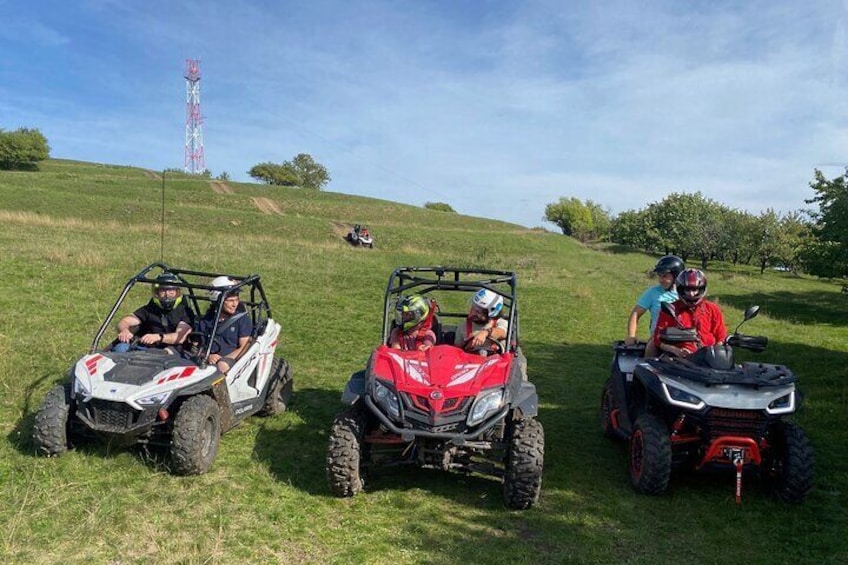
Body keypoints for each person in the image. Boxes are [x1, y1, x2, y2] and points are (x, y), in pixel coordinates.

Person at [652, 268, 727, 358]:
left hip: (708, 360)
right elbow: (658, 338)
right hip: (678, 359)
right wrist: (676, 350)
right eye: (687, 290)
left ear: (701, 289)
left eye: (694, 290)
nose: (691, 294)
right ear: (680, 289)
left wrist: (714, 355)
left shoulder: (712, 309)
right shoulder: (671, 309)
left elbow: (721, 337)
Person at [113, 272, 193, 352]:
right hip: (146, 348)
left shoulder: (185, 311)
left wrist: (159, 337)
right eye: (163, 291)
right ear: (157, 293)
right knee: (120, 348)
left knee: (166, 353)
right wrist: (124, 330)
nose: (167, 295)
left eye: (171, 290)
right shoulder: (150, 309)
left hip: (172, 352)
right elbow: (125, 321)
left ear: (177, 292)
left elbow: (180, 337)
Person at [625, 255, 684, 357]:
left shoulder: (687, 294)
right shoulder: (652, 292)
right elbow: (636, 313)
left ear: (676, 276)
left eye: (665, 276)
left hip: (684, 337)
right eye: (659, 276)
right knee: (651, 347)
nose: (660, 279)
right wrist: (631, 336)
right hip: (659, 337)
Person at [195, 276, 253, 374]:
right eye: (230, 301)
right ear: (218, 301)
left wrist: (223, 360)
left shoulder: (242, 319)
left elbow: (245, 348)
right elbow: (195, 346)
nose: (235, 304)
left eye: (236, 300)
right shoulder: (207, 320)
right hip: (207, 359)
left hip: (232, 362)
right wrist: (207, 356)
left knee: (222, 366)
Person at [454, 289, 508, 355]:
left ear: (491, 313)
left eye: (478, 312)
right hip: (470, 361)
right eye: (473, 307)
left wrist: (485, 333)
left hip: (496, 361)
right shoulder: (463, 326)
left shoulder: (500, 323)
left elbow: (501, 332)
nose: (472, 313)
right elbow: (456, 351)